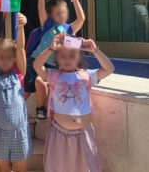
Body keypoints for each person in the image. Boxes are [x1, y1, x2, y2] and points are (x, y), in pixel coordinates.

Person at [33, 34, 114, 172]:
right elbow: (37, 65)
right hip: (60, 134)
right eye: (63, 56)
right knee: (59, 167)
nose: (67, 59)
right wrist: (50, 48)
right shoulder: (52, 75)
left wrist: (95, 51)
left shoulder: (86, 75)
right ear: (56, 59)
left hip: (84, 135)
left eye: (72, 55)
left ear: (79, 58)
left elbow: (109, 69)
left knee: (85, 167)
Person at [25, 0, 85, 121]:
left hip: (56, 65)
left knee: (41, 81)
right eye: (58, 13)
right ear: (50, 15)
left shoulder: (69, 29)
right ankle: (37, 108)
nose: (62, 15)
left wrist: (75, 1)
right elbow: (40, 9)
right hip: (38, 62)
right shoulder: (47, 25)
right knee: (28, 88)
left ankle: (44, 108)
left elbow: (81, 19)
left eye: (64, 12)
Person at [0, 13, 33, 171]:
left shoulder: (19, 74)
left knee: (20, 168)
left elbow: (21, 49)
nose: (5, 60)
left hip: (19, 131)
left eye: (9, 57)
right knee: (3, 168)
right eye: (1, 57)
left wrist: (21, 27)